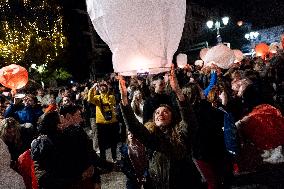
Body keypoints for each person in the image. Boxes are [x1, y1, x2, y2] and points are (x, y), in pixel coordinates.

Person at [118, 65, 199, 189]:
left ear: (172, 117)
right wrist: (124, 99)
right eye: (157, 113)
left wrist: (177, 91)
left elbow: (189, 119)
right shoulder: (153, 138)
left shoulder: (181, 133)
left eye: (165, 111)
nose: (160, 114)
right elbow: (134, 126)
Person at [87, 82, 120, 161]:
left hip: (112, 122)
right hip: (101, 124)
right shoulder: (97, 98)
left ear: (107, 88)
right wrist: (93, 88)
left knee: (113, 142)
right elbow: (89, 98)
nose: (102, 88)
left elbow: (113, 105)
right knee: (102, 143)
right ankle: (103, 159)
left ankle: (114, 157)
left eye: (104, 86)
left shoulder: (111, 97)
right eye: (101, 87)